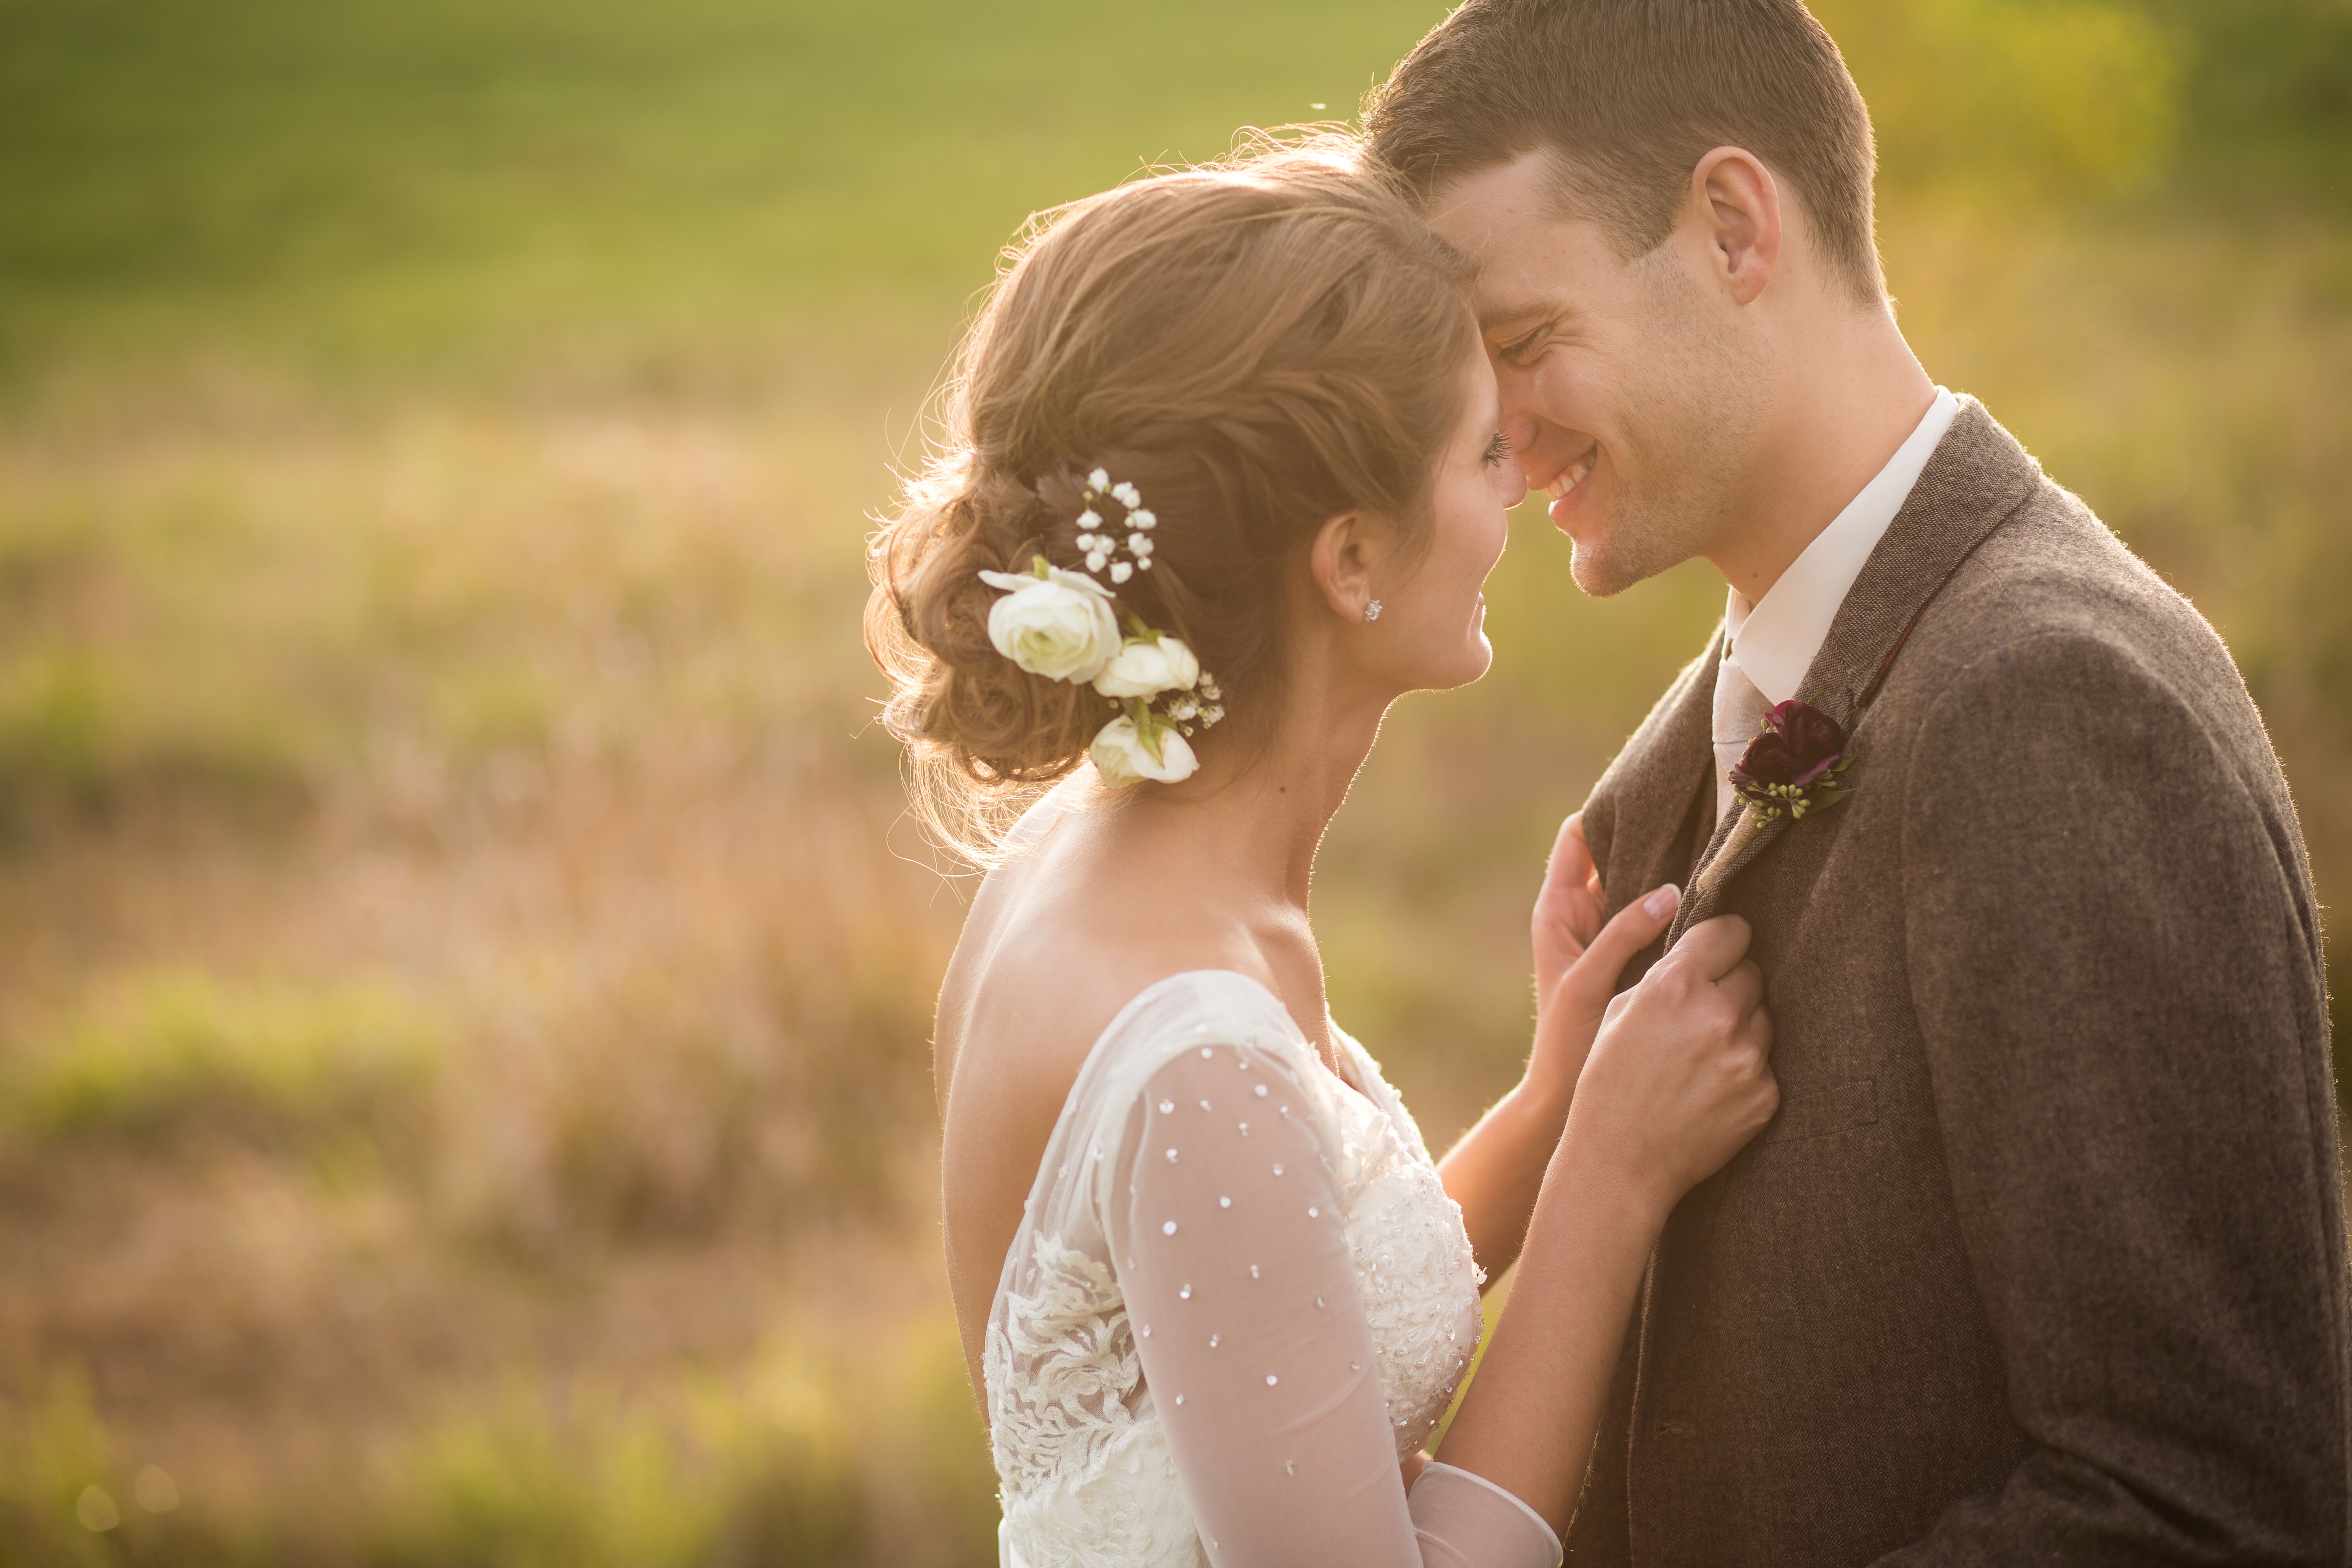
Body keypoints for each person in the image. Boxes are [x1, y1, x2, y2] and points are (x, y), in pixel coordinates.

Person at [1360, 0, 2348, 1562]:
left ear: (1736, 228)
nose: (1495, 430)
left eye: (1524, 343)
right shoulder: (1668, 771)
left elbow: (2198, 1509)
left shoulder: (2062, 707)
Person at [866, 144, 1778, 1566]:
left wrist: (1553, 1106)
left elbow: (1272, 1316)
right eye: (1484, 450)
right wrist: (1610, 1184)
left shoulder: (1104, 862)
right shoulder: (1194, 1046)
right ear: (1350, 561)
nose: (1523, 484)